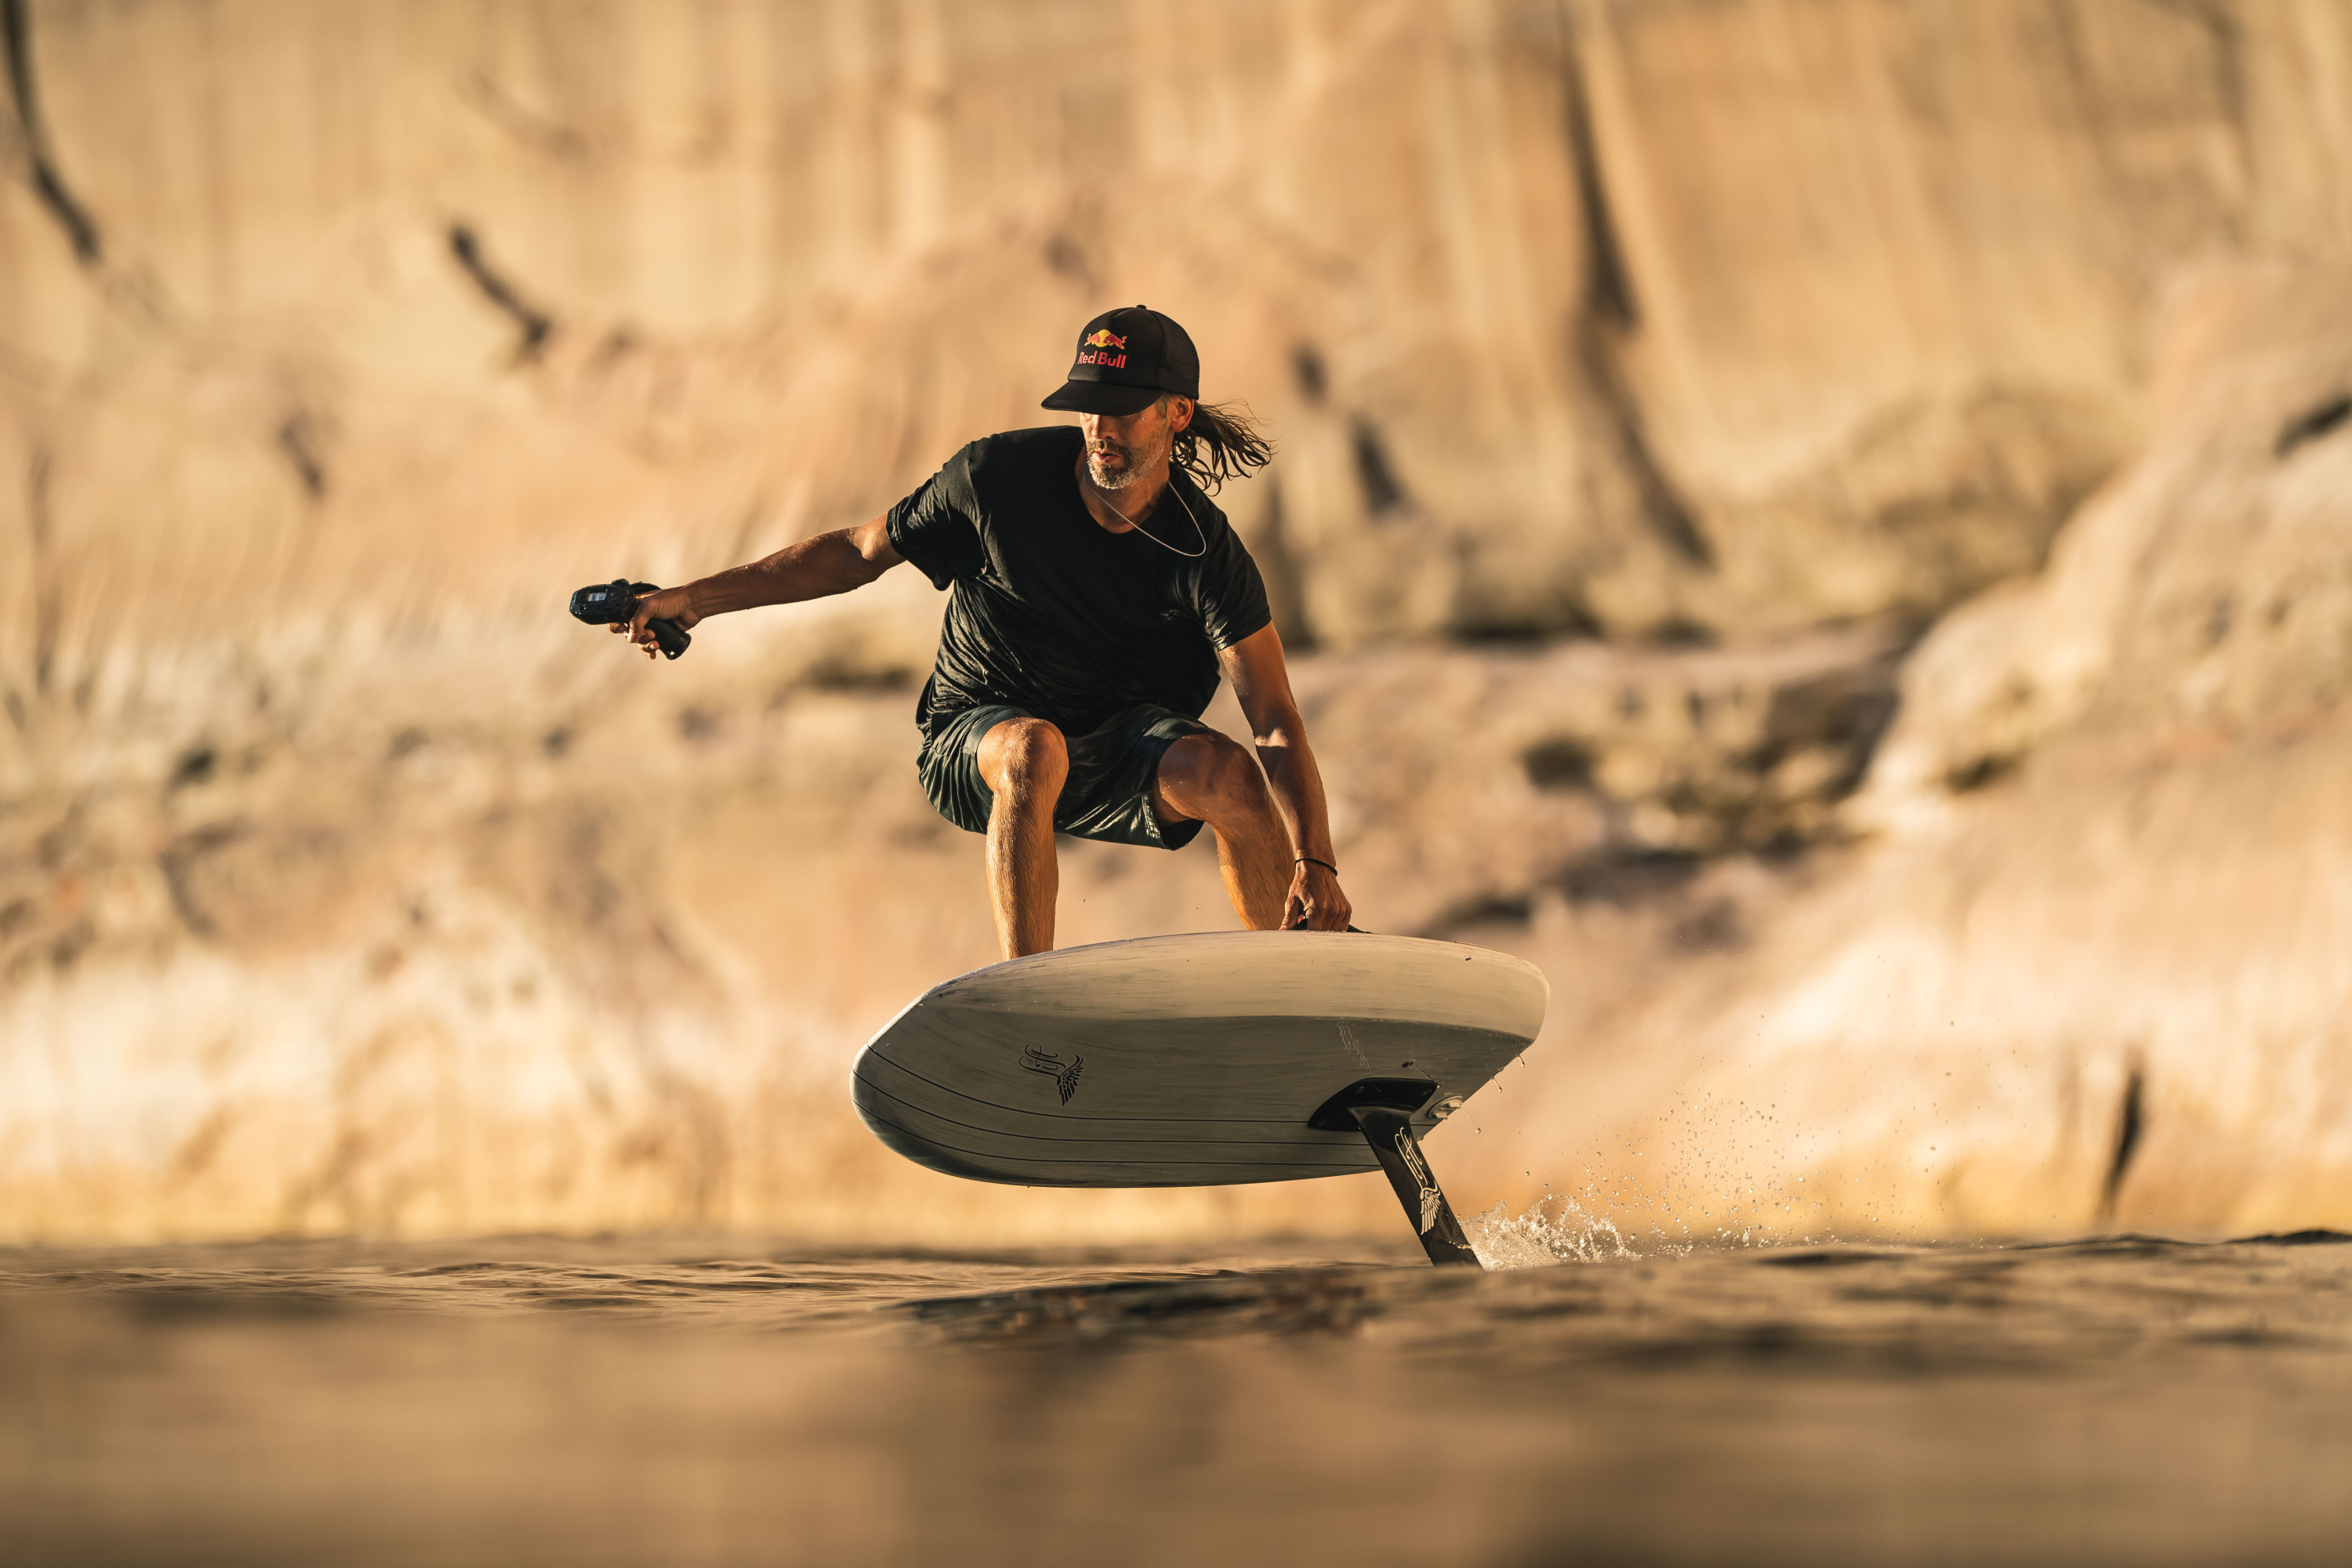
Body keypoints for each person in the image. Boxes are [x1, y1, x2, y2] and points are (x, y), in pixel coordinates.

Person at [615, 305, 1352, 959]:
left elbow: (1276, 721)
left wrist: (1315, 861)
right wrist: (697, 599)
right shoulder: (997, 481)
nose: (1100, 430)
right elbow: (859, 553)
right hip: (976, 740)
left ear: (1177, 415)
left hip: (1116, 746)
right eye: (1089, 409)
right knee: (1036, 747)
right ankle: (1025, 1008)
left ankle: (1300, 981)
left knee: (1227, 773)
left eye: (1124, 410)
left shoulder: (1204, 552)